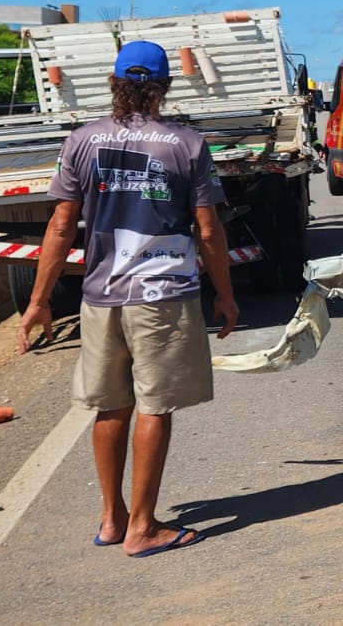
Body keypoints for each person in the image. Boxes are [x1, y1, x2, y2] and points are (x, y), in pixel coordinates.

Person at [18, 40, 238, 558]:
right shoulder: (185, 144)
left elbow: (61, 225)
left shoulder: (82, 140)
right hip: (161, 296)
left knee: (110, 405)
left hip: (100, 297)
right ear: (162, 87)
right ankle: (143, 528)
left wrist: (40, 300)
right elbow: (208, 231)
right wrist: (225, 294)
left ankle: (113, 517)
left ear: (115, 82)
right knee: (155, 407)